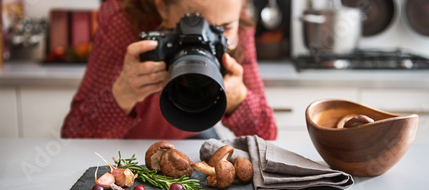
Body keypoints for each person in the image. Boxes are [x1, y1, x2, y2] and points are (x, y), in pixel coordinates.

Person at [61, 0, 277, 140]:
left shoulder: (238, 27)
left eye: (223, 28)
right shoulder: (122, 18)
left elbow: (267, 136)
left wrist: (239, 98)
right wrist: (121, 95)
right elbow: (74, 134)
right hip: (125, 145)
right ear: (162, 6)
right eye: (192, 24)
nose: (203, 39)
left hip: (192, 136)